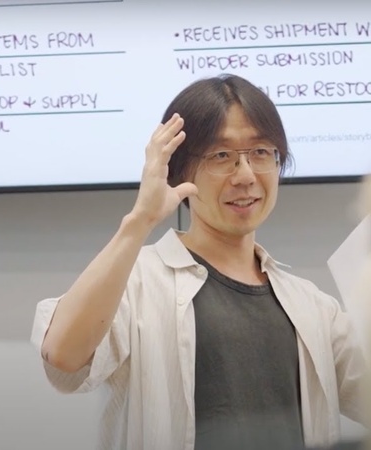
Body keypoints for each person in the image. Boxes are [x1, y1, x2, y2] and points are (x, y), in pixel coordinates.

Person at [31, 74, 366, 450]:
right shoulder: (137, 281)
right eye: (221, 156)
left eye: (260, 152)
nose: (246, 175)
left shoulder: (313, 306)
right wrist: (139, 220)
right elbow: (63, 359)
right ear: (178, 171)